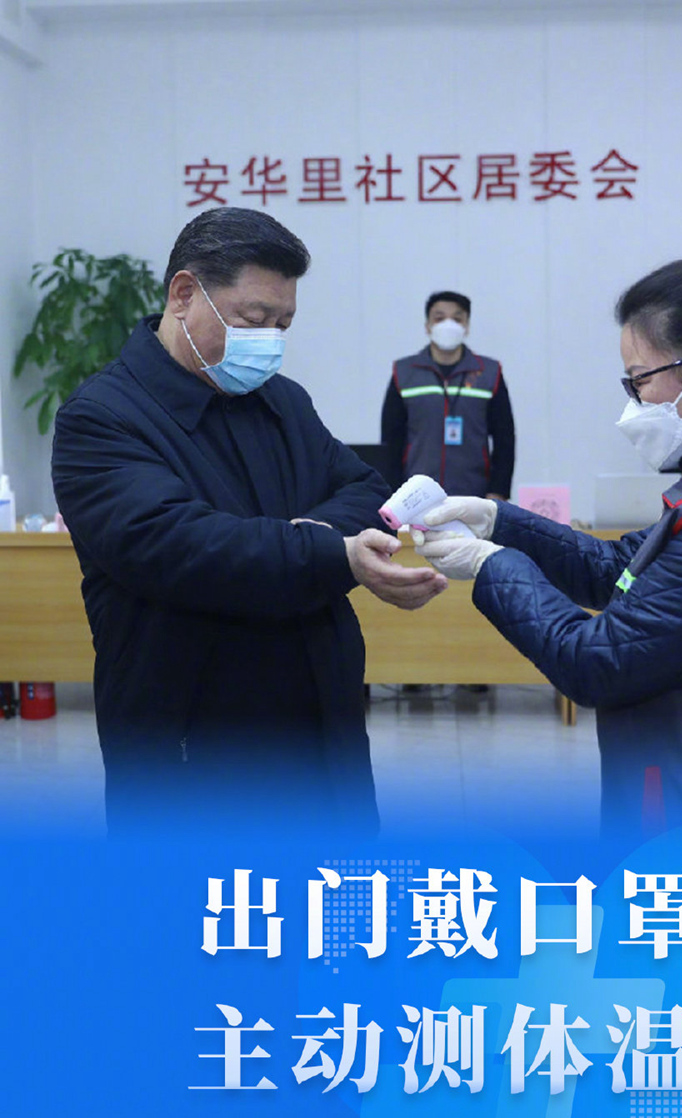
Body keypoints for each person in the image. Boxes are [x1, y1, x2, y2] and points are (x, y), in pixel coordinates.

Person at [413, 251, 682, 839]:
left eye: (640, 380)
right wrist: (499, 521)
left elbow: (597, 662)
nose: (633, 405)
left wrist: (494, 567)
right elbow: (623, 568)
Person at [52, 208, 445, 831]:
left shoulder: (282, 400)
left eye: (283, 324)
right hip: (191, 745)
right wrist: (327, 551)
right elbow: (178, 544)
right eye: (254, 319)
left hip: (322, 731)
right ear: (184, 295)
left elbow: (363, 488)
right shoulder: (102, 418)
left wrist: (312, 540)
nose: (270, 340)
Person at [381, 291, 515, 499]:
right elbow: (390, 442)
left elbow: (504, 439)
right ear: (427, 326)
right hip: (416, 495)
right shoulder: (404, 372)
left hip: (474, 495)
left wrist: (498, 492)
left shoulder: (489, 373)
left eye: (457, 319)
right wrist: (393, 492)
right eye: (439, 318)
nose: (448, 325)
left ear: (466, 326)